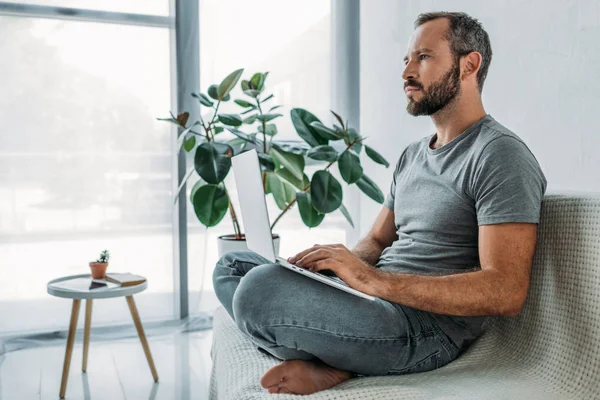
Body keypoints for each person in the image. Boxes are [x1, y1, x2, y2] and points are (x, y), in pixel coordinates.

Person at [213, 11, 547, 395]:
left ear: (468, 64)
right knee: (232, 266)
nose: (407, 71)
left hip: (422, 328)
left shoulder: (499, 154)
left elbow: (506, 291)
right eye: (406, 59)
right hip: (375, 305)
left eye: (423, 57)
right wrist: (338, 273)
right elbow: (375, 240)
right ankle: (335, 358)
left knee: (258, 291)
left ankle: (336, 359)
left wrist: (373, 281)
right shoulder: (412, 155)